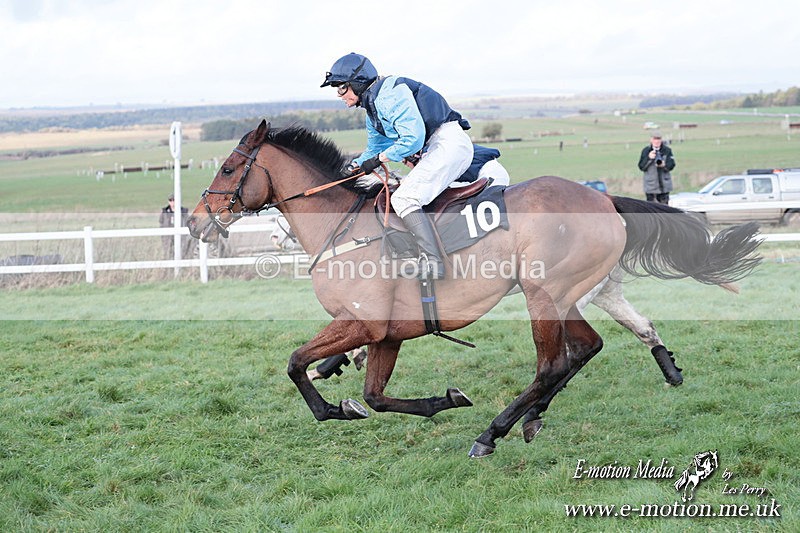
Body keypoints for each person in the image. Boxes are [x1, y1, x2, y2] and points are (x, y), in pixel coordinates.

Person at [321, 52, 474, 279]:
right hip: (438, 147)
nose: (339, 94)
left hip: (447, 144)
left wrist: (381, 159)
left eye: (342, 88)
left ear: (357, 82)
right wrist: (353, 167)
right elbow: (374, 149)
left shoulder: (388, 93)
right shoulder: (372, 107)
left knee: (403, 198)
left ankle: (433, 262)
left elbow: (413, 138)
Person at [638, 131, 675, 204]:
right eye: (655, 139)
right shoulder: (646, 151)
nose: (657, 141)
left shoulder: (667, 150)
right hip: (651, 187)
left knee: (664, 210)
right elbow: (641, 167)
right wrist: (649, 158)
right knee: (652, 212)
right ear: (651, 140)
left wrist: (664, 165)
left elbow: (672, 165)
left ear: (661, 140)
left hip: (664, 187)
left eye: (658, 139)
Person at [159, 193, 190, 259]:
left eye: (174, 200)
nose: (172, 202)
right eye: (170, 200)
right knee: (168, 254)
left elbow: (188, 222)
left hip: (181, 237)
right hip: (168, 237)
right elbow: (161, 223)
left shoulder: (183, 211)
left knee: (182, 253)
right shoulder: (165, 212)